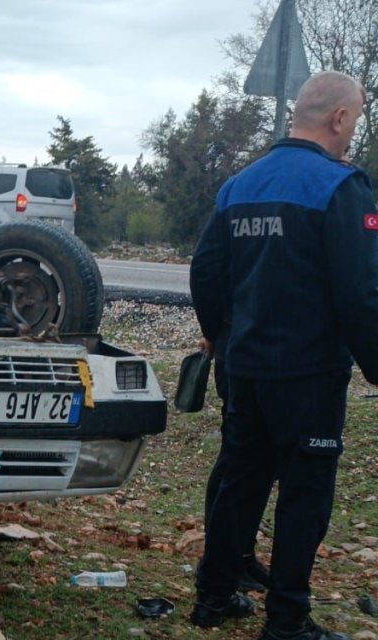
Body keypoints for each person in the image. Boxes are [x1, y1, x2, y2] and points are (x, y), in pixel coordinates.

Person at [190, 70, 378, 640]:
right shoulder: (340, 187)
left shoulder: (239, 185)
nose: (353, 132)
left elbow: (206, 273)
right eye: (357, 118)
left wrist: (222, 339)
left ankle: (214, 597)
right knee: (304, 493)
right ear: (339, 118)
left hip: (244, 368)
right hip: (309, 375)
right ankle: (287, 621)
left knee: (241, 480)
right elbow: (361, 292)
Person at [198, 332, 272, 594]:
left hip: (255, 348)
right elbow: (206, 289)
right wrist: (211, 331)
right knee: (236, 459)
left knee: (258, 462)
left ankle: (240, 554)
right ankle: (222, 561)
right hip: (238, 347)